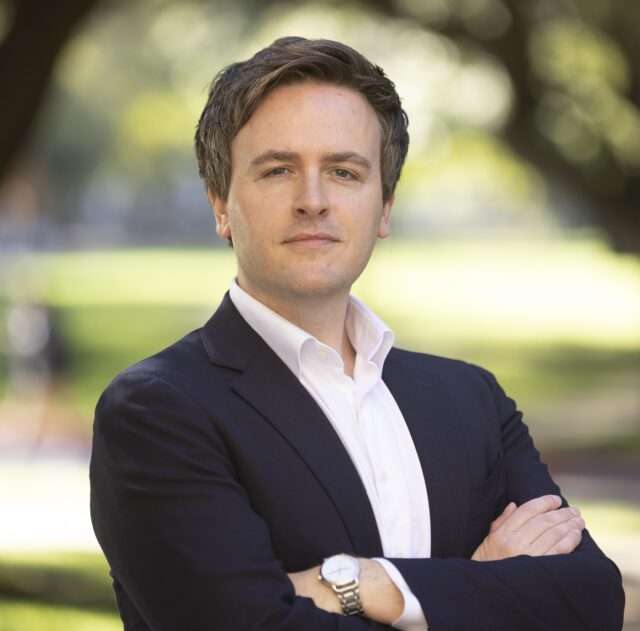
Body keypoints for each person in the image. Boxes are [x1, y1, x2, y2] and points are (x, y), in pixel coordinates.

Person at [90, 36, 625, 630]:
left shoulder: (472, 401)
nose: (313, 200)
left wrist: (361, 583)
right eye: (278, 170)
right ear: (221, 204)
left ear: (385, 206)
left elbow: (592, 600)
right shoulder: (157, 411)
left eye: (343, 172)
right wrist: (482, 585)